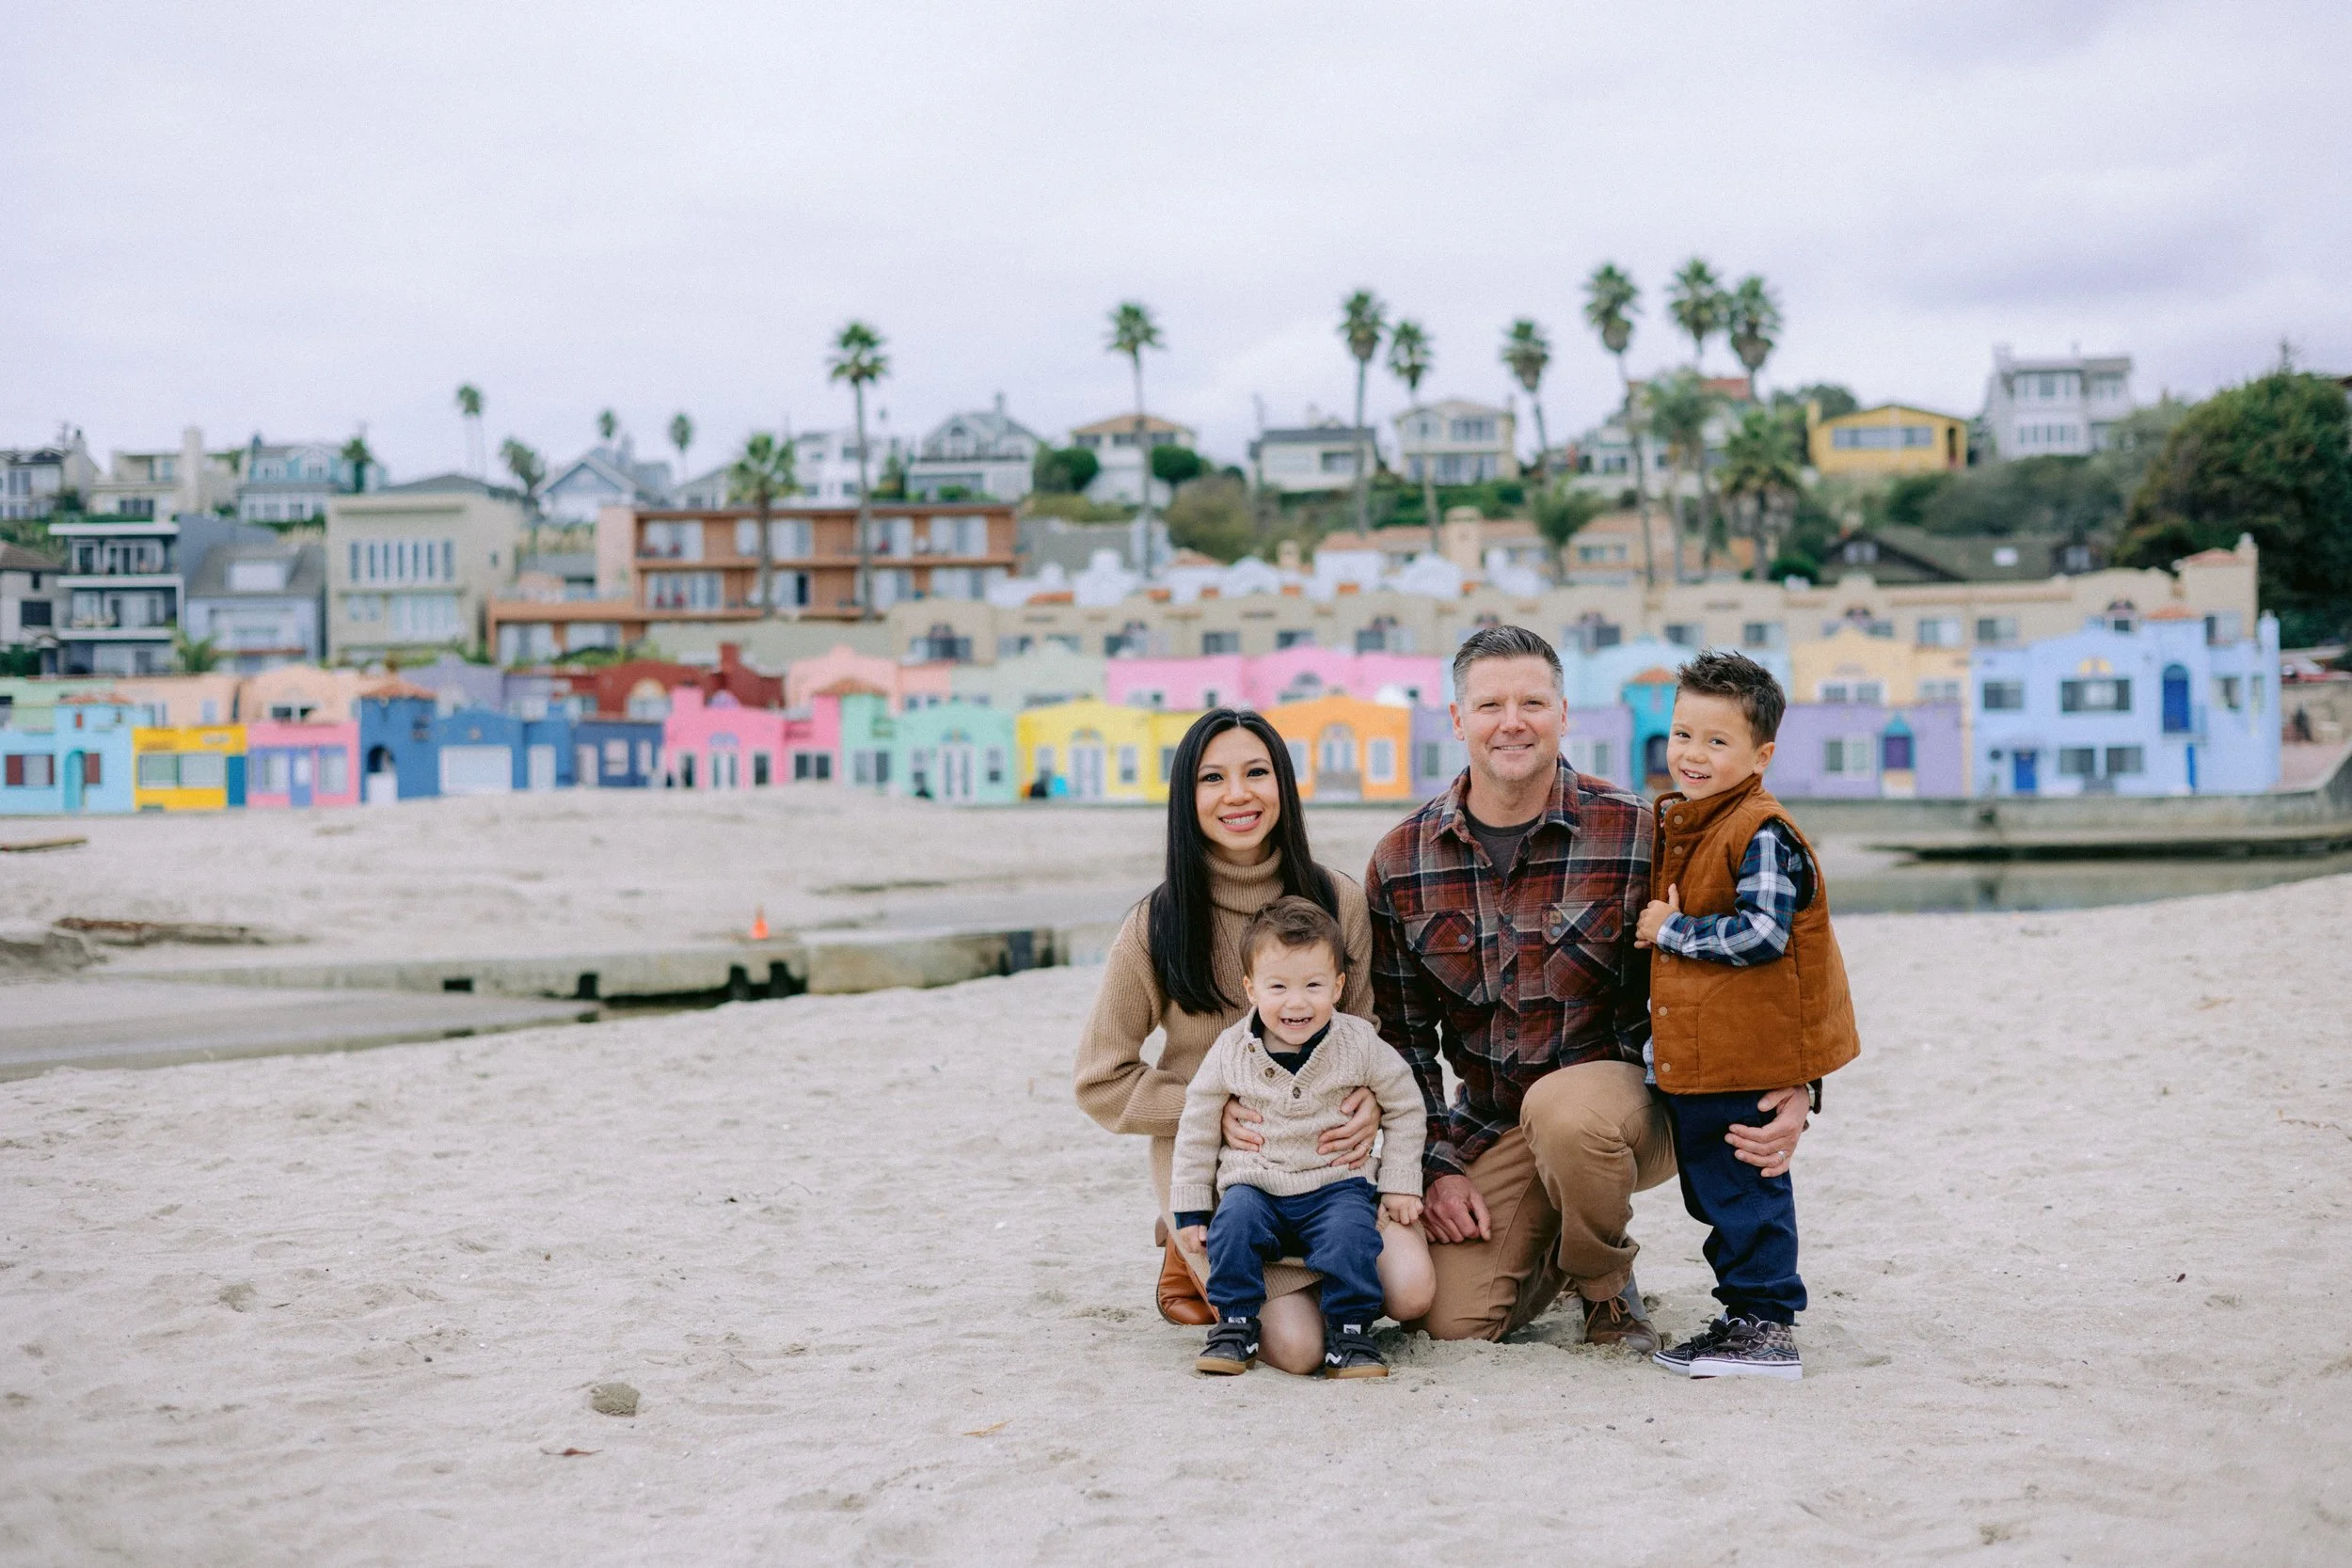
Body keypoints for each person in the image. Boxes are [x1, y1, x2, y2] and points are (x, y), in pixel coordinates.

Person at [1366, 626, 1813, 1349]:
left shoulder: (1639, 831)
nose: (1512, 721)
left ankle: (1606, 1288)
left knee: (1567, 1110)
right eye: (1490, 705)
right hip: (1495, 1123)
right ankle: (1561, 1242)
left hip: (1630, 1107)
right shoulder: (1400, 861)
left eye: (1533, 701)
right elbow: (1402, 1040)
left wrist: (1798, 1082)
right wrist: (1436, 1166)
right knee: (1452, 1320)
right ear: (1457, 720)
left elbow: (1758, 957)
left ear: (1565, 713)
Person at [1075, 708, 1437, 1374]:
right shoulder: (1158, 922)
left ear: (1283, 784)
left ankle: (1324, 1269)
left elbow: (1363, 1033)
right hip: (1220, 1161)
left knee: (1413, 1291)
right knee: (1297, 1351)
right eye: (1213, 777)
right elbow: (1100, 1078)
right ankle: (1186, 1241)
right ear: (1188, 798)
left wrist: (1369, 1102)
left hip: (1325, 1157)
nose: (1237, 794)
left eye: (1256, 772)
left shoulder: (1336, 899)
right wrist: (1205, 1106)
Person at [1635, 650, 1860, 1379]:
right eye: (1682, 734)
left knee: (1749, 1190)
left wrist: (1670, 930)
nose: (1692, 755)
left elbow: (1763, 934)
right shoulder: (1698, 821)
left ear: (1761, 755)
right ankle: (1742, 1316)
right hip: (1711, 1057)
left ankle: (1767, 1326)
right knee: (1717, 1191)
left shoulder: (1760, 830)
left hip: (1749, 1057)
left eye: (1716, 741)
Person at [1169, 896, 1425, 1379]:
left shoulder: (1358, 1043)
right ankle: (1235, 1323)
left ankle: (1350, 1331)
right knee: (1234, 1226)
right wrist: (1191, 1207)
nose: (1296, 1002)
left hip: (1335, 1183)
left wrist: (1399, 1180)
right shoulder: (1230, 1050)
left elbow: (1406, 1105)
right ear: (1251, 989)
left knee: (1352, 1236)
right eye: (1278, 986)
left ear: (1339, 986)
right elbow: (1197, 1126)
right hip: (1257, 1183)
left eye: (1313, 985)